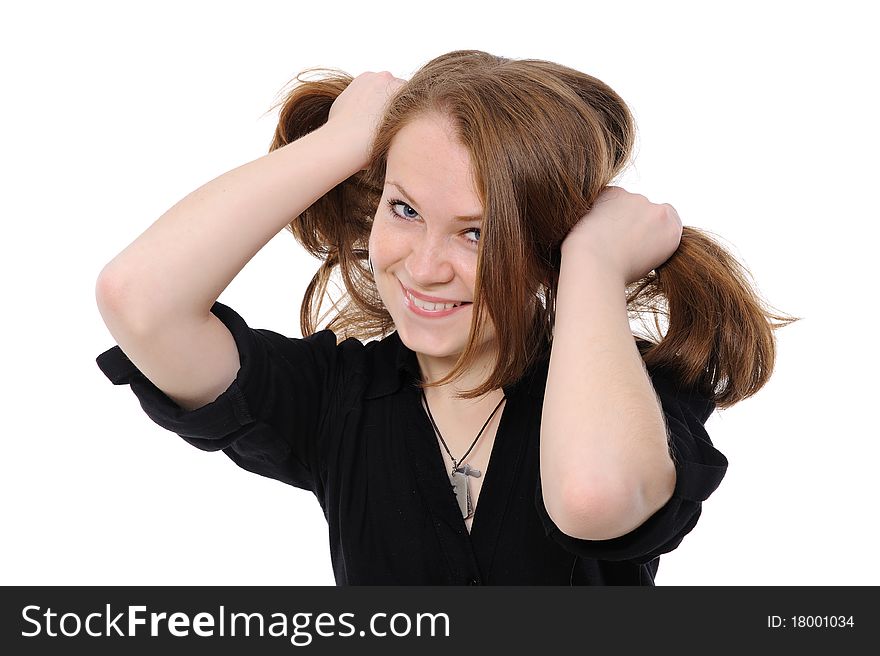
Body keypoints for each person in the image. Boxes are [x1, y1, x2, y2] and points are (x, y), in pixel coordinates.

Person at [95, 50, 795, 585]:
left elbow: (592, 496)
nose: (425, 267)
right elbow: (139, 300)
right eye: (405, 210)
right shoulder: (338, 397)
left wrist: (591, 262)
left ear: (551, 246)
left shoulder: (633, 393)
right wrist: (345, 142)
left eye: (477, 232)